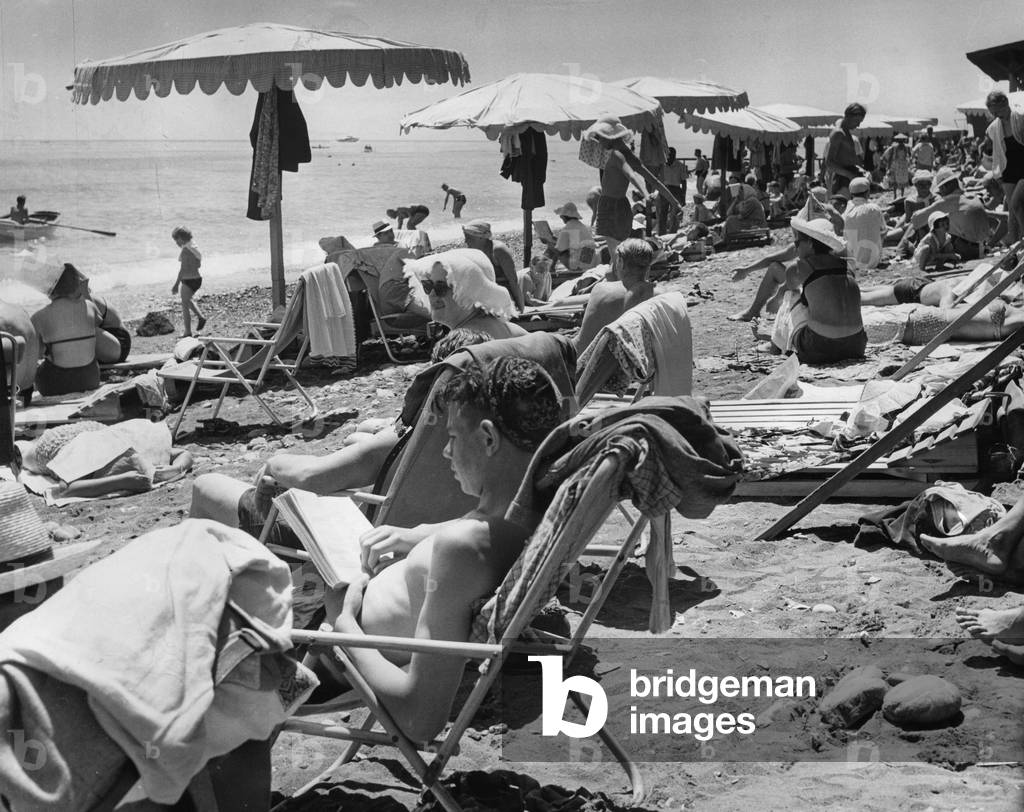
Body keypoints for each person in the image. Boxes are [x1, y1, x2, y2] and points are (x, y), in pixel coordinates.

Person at [319, 356, 564, 741]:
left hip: (328, 663)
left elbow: (420, 719)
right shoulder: (528, 513)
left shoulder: (463, 550)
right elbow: (476, 529)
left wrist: (343, 627)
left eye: (452, 438)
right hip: (348, 623)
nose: (447, 453)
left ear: (488, 438)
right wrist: (416, 535)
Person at [188, 264, 526, 536]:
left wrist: (274, 464)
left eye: (442, 288)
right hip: (421, 517)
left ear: (437, 382)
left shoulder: (416, 436)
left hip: (352, 535)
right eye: (428, 287)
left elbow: (317, 478)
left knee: (205, 485)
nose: (433, 296)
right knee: (355, 437)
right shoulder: (489, 439)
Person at [780, 217, 866, 364]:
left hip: (818, 347)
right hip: (857, 345)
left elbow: (790, 286)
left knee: (791, 295)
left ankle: (776, 345)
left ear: (810, 243)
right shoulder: (848, 264)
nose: (795, 247)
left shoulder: (798, 268)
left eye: (797, 242)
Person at [30, 264, 105, 396]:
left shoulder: (38, 317)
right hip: (90, 378)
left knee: (40, 368)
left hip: (55, 383)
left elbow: (37, 354)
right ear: (75, 284)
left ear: (47, 287)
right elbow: (99, 322)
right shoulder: (89, 306)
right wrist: (84, 291)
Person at [582, 116, 653, 255]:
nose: (599, 142)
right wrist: (674, 203)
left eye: (600, 137)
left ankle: (617, 274)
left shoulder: (616, 155)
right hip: (622, 204)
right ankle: (619, 272)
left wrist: (645, 194)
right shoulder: (629, 155)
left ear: (609, 136)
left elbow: (631, 175)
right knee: (619, 251)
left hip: (609, 204)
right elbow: (652, 179)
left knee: (615, 253)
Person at [572, 238, 656, 354]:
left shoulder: (603, 291)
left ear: (620, 263)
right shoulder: (664, 295)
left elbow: (582, 345)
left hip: (613, 366)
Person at [909, 166, 993, 260]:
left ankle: (924, 255)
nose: (940, 192)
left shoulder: (949, 201)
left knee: (937, 223)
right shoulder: (970, 196)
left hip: (967, 250)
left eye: (940, 189)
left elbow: (916, 220)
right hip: (981, 247)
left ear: (944, 187)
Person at [984, 90, 1024, 245]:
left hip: (1023, 167)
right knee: (1013, 213)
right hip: (1009, 169)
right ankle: (1015, 243)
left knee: (1016, 203)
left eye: (997, 111)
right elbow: (995, 151)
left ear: (1005, 103)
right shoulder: (994, 127)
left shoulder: (1020, 118)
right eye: (993, 113)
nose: (996, 115)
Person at [368, 221, 429, 322]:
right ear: (378, 236)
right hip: (394, 287)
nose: (390, 235)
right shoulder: (375, 251)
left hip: (400, 285)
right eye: (386, 233)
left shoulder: (399, 246)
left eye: (391, 231)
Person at [462, 220, 525, 311]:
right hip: (483, 291)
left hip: (502, 293)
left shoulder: (498, 250)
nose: (466, 241)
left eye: (468, 238)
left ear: (480, 237)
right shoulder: (474, 251)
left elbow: (513, 281)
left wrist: (521, 307)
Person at [171, 226, 207, 338]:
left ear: (181, 238)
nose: (176, 242)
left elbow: (183, 269)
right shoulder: (194, 247)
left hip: (188, 280)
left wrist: (176, 284)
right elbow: (199, 264)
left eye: (176, 239)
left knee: (184, 305)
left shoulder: (186, 251)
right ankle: (201, 317)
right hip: (197, 279)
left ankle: (187, 332)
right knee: (187, 300)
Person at [842, 176, 885, 270]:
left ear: (851, 194)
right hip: (873, 262)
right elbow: (883, 230)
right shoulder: (874, 208)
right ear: (868, 192)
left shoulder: (846, 210)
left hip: (851, 262)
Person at [825, 103, 867, 194]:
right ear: (849, 117)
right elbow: (829, 162)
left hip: (848, 177)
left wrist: (859, 169)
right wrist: (849, 175)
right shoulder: (838, 133)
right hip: (842, 181)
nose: (858, 125)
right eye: (857, 121)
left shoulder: (846, 131)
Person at [545, 201, 597, 272]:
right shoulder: (581, 226)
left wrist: (548, 242)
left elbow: (559, 250)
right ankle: (550, 268)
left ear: (564, 217)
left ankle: (549, 269)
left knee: (551, 247)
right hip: (590, 262)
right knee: (557, 246)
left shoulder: (567, 228)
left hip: (579, 266)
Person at [658, 147, 689, 233]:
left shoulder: (680, 166)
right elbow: (658, 179)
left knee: (675, 214)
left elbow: (684, 183)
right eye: (667, 155)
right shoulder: (662, 165)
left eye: (670, 155)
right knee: (662, 213)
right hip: (664, 189)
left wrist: (683, 197)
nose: (668, 157)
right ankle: (661, 233)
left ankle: (672, 233)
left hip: (676, 190)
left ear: (674, 155)